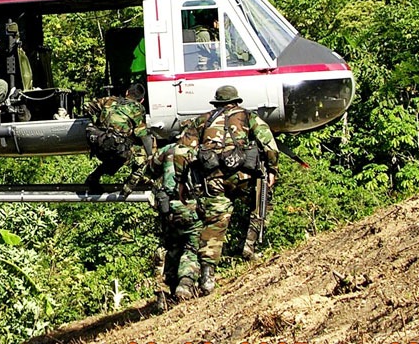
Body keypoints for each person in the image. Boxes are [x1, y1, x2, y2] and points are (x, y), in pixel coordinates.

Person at [171, 84, 278, 295]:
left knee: (215, 224)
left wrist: (181, 180)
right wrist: (272, 170)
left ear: (217, 102)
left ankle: (208, 277)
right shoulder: (249, 116)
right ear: (236, 101)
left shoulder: (203, 120)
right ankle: (250, 244)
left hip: (214, 179)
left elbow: (181, 152)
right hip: (244, 177)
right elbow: (268, 144)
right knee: (262, 201)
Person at [144, 136, 202, 308]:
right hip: (190, 206)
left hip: (168, 208)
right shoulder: (198, 151)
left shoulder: (167, 149)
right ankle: (185, 284)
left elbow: (149, 169)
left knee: (172, 248)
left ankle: (166, 293)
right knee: (192, 247)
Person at [83, 83, 151, 192]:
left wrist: (95, 119)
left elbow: (86, 106)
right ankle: (129, 186)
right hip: (115, 148)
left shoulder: (109, 100)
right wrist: (150, 154)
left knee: (115, 157)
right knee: (140, 157)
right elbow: (142, 134)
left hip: (96, 143)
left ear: (127, 93)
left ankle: (93, 178)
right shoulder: (138, 108)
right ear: (141, 100)